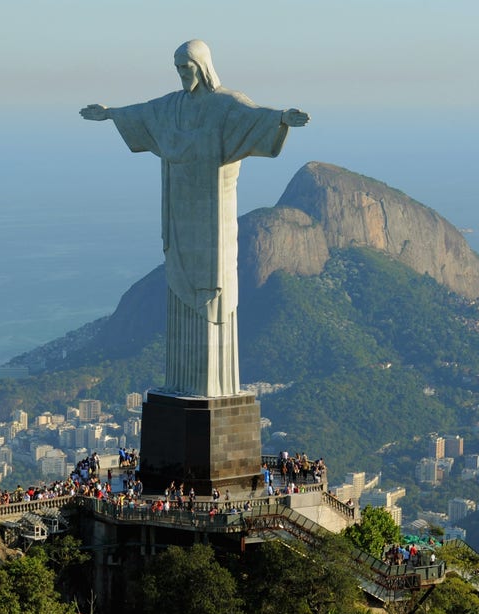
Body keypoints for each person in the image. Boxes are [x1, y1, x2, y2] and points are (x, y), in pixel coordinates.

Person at [81, 39, 308, 397]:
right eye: (177, 69)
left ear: (202, 67)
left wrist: (282, 119)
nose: (182, 75)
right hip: (179, 212)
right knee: (179, 283)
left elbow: (255, 116)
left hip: (212, 213)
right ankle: (182, 383)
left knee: (213, 284)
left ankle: (214, 386)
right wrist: (110, 113)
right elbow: (142, 112)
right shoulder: (171, 107)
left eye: (186, 68)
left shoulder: (226, 105)